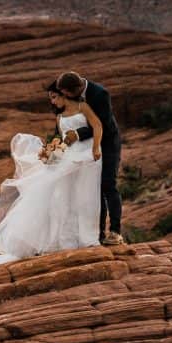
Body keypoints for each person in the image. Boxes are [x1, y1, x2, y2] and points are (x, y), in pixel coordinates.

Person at [0, 82, 105, 266]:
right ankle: (62, 239)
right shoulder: (60, 116)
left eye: (54, 97)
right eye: (51, 99)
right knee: (60, 195)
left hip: (85, 156)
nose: (53, 102)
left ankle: (86, 237)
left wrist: (91, 146)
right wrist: (52, 152)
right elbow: (62, 140)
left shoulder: (83, 107)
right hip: (70, 157)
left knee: (84, 197)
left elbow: (96, 127)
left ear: (64, 94)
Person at [56, 71, 124, 245]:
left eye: (66, 93)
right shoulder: (70, 100)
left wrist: (77, 134)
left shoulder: (100, 94)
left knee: (108, 184)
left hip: (107, 145)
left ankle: (115, 231)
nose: (65, 97)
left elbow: (104, 125)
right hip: (83, 149)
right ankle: (97, 234)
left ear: (76, 89)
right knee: (93, 190)